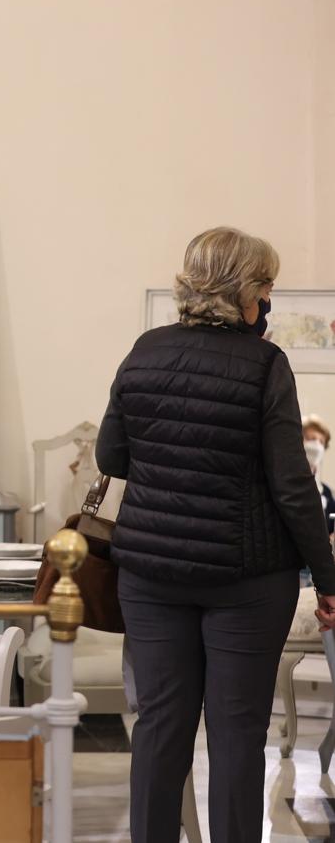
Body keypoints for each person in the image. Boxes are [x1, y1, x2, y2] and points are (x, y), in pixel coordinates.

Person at [96, 227, 335, 843]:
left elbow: (112, 455)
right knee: (235, 735)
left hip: (150, 574)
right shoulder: (265, 364)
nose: (269, 299)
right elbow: (292, 486)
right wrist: (329, 580)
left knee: (159, 726)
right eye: (267, 287)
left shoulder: (144, 349)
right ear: (247, 292)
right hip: (247, 581)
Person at [303, 414, 335, 537]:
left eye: (321, 441)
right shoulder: (286, 483)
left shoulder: (327, 493)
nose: (316, 444)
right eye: (310, 438)